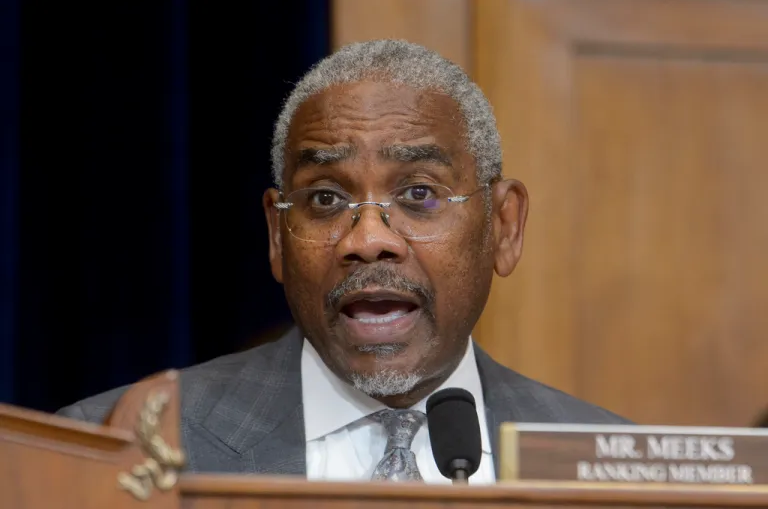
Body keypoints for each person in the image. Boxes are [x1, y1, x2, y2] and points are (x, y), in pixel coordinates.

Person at [58, 39, 629, 483]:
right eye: (326, 198)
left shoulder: (618, 468)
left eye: (419, 194)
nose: (368, 239)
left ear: (504, 226)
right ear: (278, 236)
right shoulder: (109, 446)